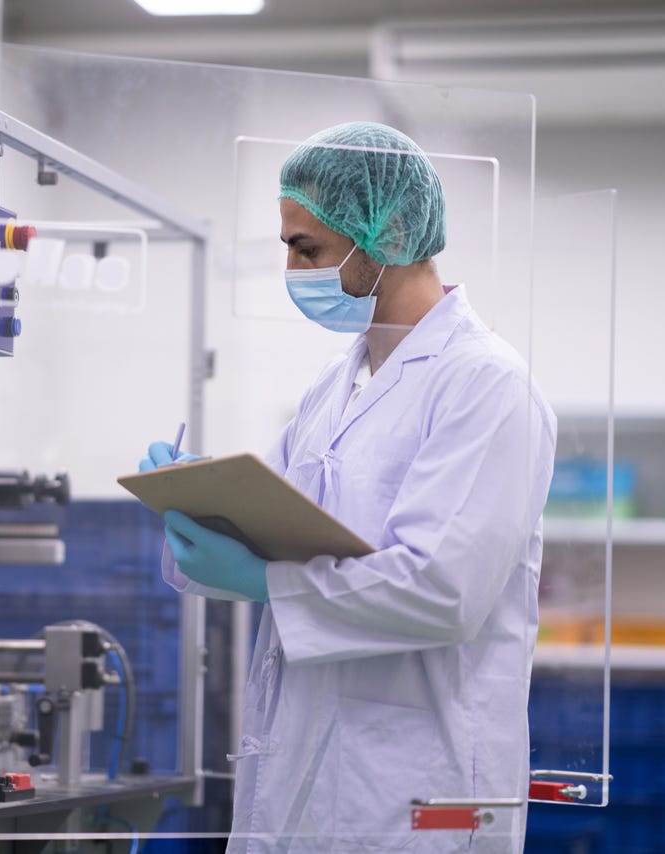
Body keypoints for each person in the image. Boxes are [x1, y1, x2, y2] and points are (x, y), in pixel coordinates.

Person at [140, 121, 557, 852]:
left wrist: (272, 582)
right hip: (308, 773)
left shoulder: (487, 386)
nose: (294, 267)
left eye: (308, 248)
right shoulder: (335, 386)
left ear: (388, 232)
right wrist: (198, 501)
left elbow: (442, 588)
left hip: (418, 792)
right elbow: (269, 523)